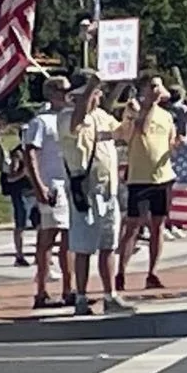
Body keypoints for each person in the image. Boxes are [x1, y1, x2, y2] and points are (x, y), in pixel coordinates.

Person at [60, 70, 130, 316]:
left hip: (108, 189)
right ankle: (81, 296)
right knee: (83, 246)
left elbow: (121, 133)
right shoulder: (68, 116)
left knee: (108, 244)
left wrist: (134, 110)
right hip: (86, 191)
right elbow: (77, 120)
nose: (98, 97)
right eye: (93, 93)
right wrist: (91, 85)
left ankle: (110, 294)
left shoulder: (101, 116)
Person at [116, 76, 181, 292]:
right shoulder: (133, 110)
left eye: (158, 85)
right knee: (132, 226)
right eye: (152, 85)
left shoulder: (166, 116)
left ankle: (152, 272)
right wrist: (146, 107)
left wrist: (177, 144)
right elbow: (138, 130)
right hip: (139, 178)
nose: (156, 90)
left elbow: (170, 144)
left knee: (158, 225)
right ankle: (120, 272)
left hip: (162, 176)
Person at [23, 74, 75, 308]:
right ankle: (41, 291)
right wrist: (39, 185)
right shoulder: (41, 122)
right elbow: (30, 153)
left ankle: (69, 288)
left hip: (71, 184)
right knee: (48, 237)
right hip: (52, 184)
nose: (68, 95)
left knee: (70, 239)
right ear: (52, 93)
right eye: (64, 91)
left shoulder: (69, 118)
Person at [0, 115, 37, 268]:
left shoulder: (35, 150)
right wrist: (24, 172)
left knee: (40, 224)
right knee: (21, 224)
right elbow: (11, 177)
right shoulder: (18, 154)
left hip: (35, 192)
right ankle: (19, 255)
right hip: (22, 193)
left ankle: (40, 254)